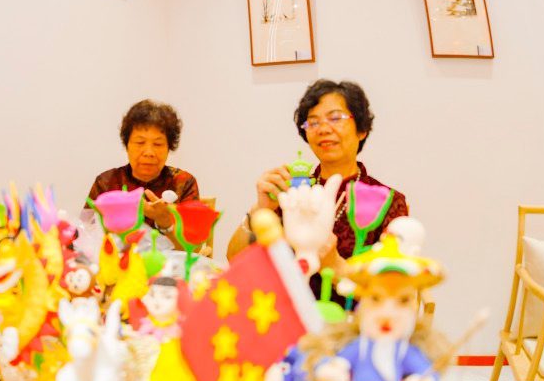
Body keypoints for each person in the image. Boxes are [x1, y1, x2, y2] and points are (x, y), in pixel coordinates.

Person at [227, 80, 408, 302]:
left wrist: (335, 265)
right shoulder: (293, 191)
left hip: (349, 320)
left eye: (335, 118)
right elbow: (235, 260)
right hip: (286, 313)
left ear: (361, 129)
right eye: (313, 122)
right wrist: (260, 209)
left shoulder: (387, 200)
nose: (323, 129)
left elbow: (395, 292)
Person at [86, 99, 200, 246]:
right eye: (140, 142)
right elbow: (85, 238)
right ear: (127, 145)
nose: (149, 152)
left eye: (158, 144)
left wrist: (165, 222)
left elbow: (193, 248)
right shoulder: (107, 182)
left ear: (169, 148)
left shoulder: (183, 183)